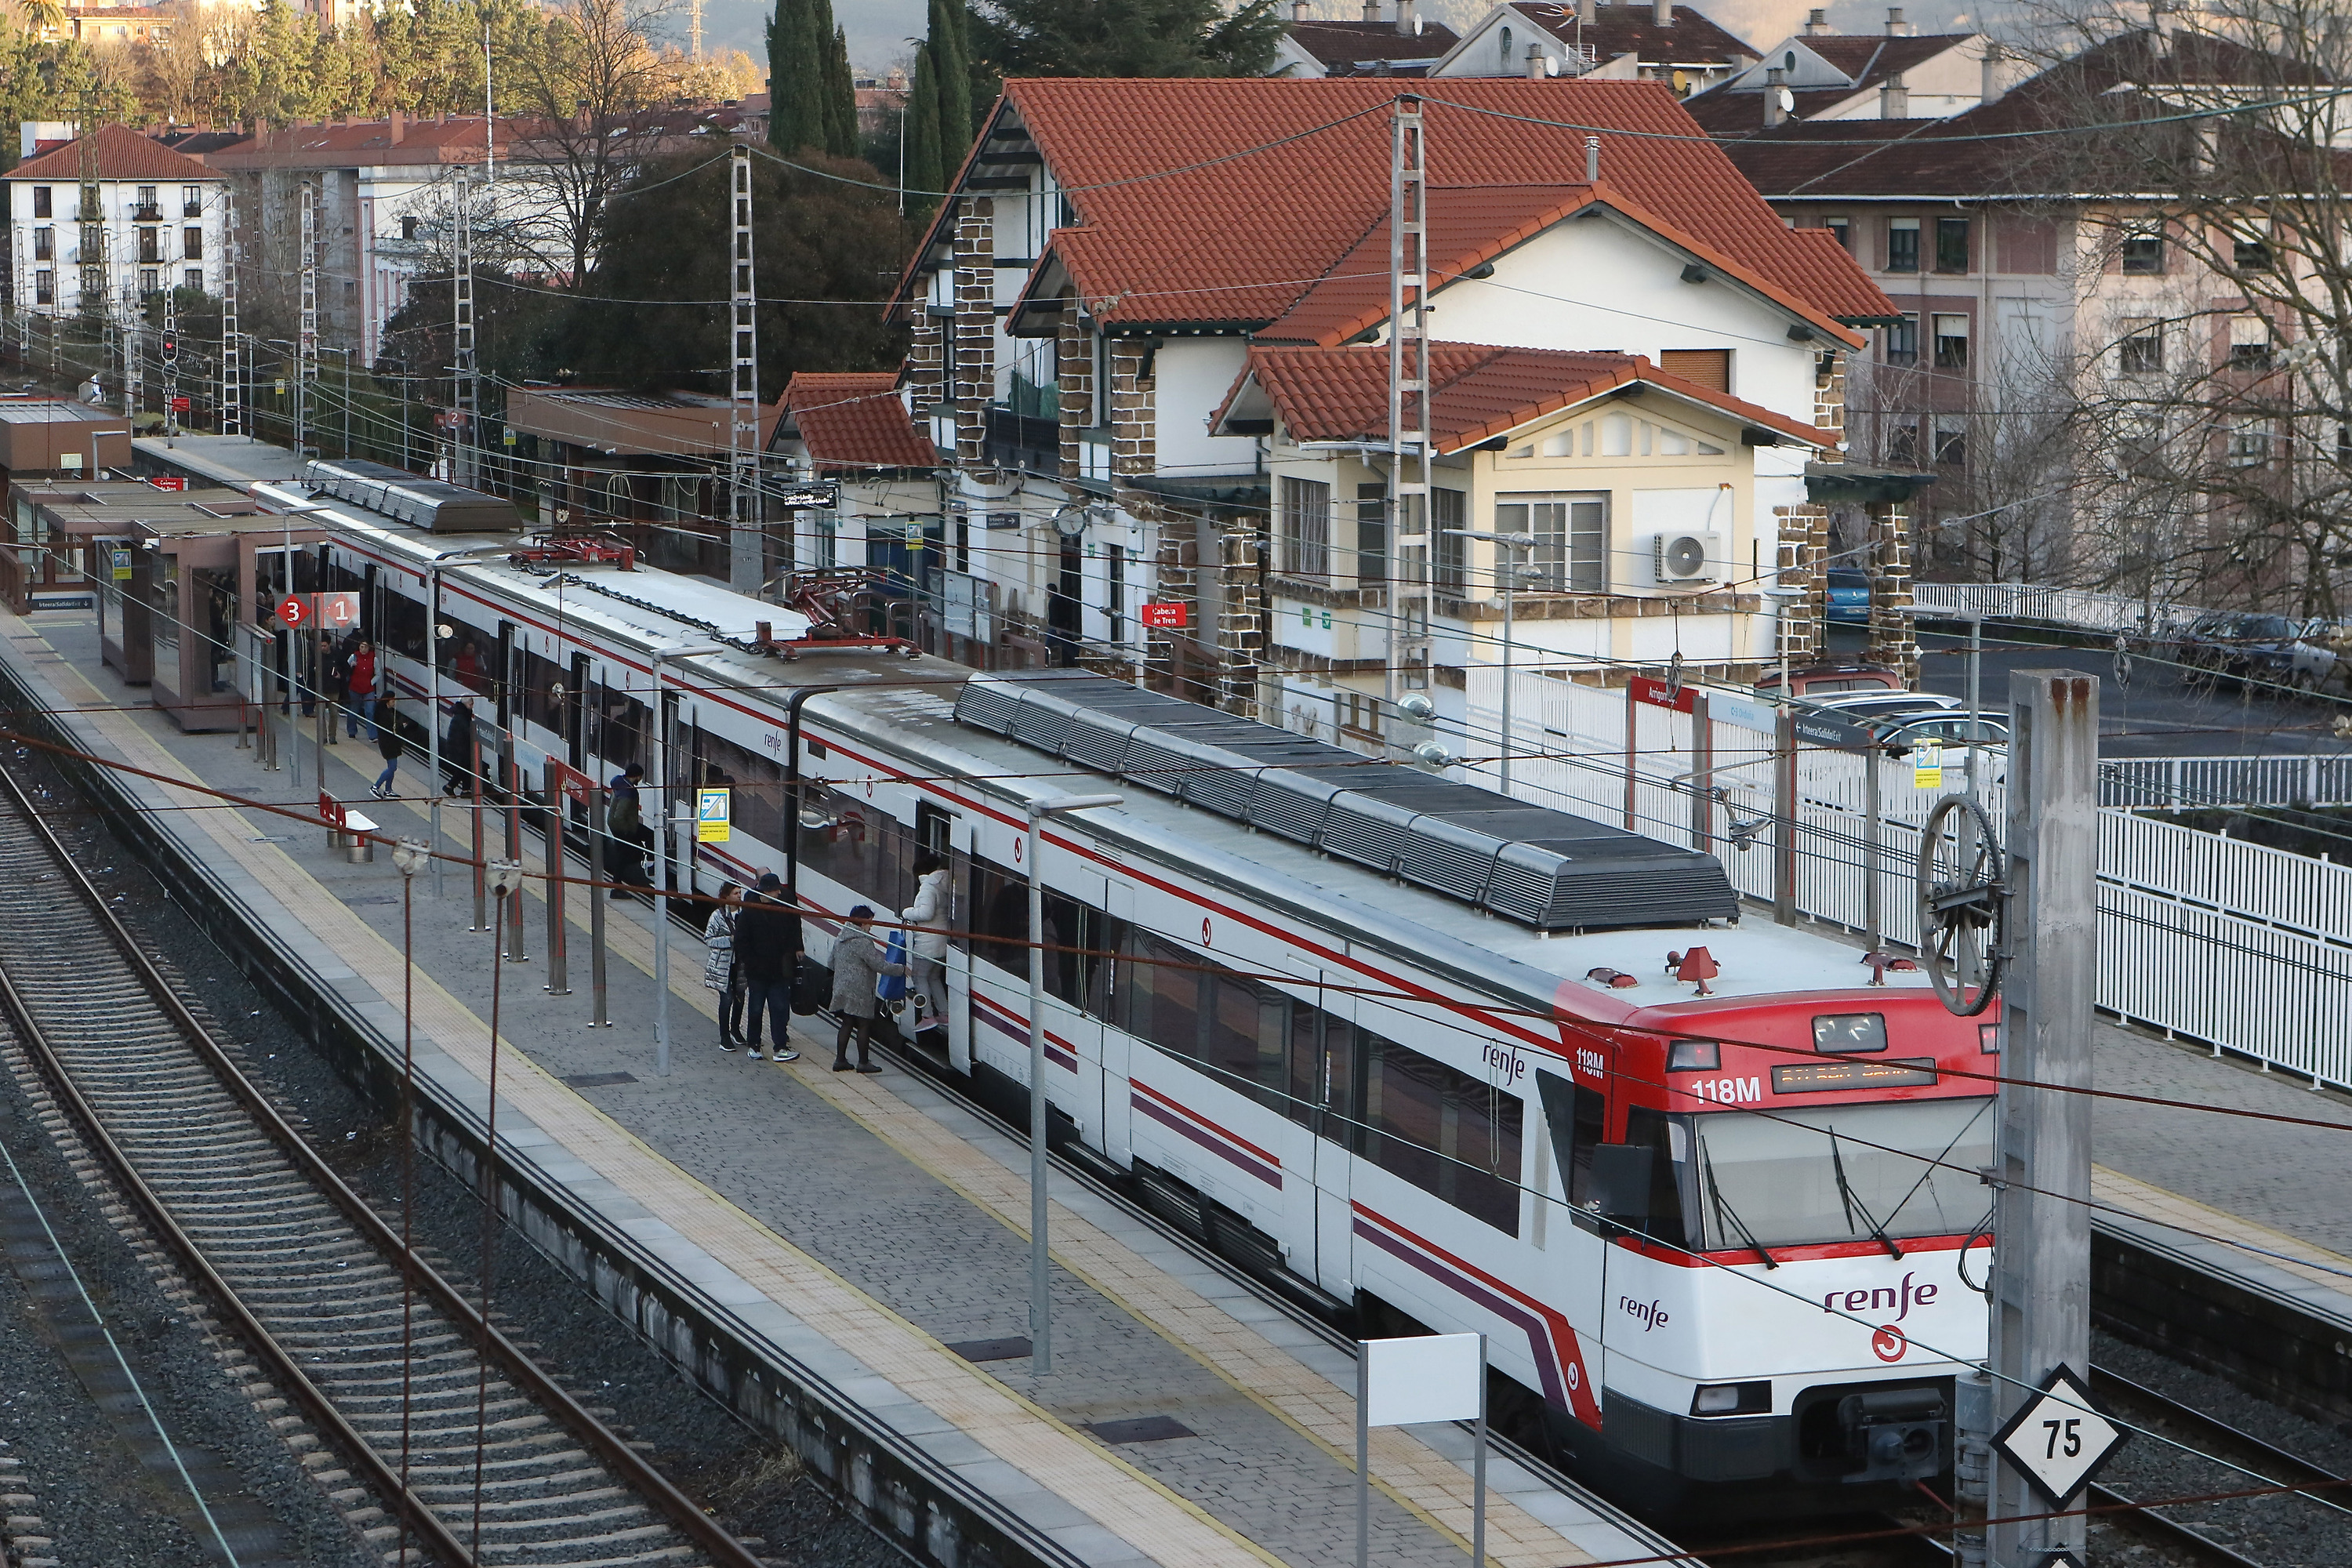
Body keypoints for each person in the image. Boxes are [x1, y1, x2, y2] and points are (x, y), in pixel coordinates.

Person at [732, 873, 802, 1062]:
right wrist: (751, 962)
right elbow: (741, 941)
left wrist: (794, 949)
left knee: (779, 1009)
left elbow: (793, 928)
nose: (780, 892)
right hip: (757, 972)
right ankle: (754, 1044)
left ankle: (780, 1047)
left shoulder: (782, 908)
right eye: (776, 889)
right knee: (755, 1009)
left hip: (779, 970)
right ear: (766, 891)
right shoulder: (750, 910)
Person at [828, 906, 906, 1074]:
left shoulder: (841, 936)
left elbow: (830, 962)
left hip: (842, 986)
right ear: (862, 923)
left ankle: (840, 1060)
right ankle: (863, 1062)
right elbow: (878, 965)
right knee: (864, 1024)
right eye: (870, 923)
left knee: (847, 1022)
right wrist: (902, 969)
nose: (871, 927)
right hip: (860, 989)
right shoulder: (863, 941)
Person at [900, 852, 949, 1035]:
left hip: (927, 943)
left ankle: (927, 1015)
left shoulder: (928, 888)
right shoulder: (943, 884)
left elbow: (926, 914)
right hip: (942, 942)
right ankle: (944, 1014)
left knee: (919, 977)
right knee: (934, 977)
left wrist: (907, 912)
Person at [702, 881, 746, 1052]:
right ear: (727, 896)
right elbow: (708, 939)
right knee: (726, 999)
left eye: (740, 892)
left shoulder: (744, 914)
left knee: (740, 997)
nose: (739, 896)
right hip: (722, 966)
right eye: (735, 893)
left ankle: (735, 1029)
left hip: (740, 964)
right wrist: (729, 941)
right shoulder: (717, 916)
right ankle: (724, 1036)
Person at [604, 763, 648, 891]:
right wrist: (628, 832)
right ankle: (616, 887)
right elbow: (620, 815)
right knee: (626, 854)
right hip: (622, 827)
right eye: (640, 777)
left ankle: (617, 884)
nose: (640, 780)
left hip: (619, 824)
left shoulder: (620, 782)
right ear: (636, 776)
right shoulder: (628, 793)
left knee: (628, 852)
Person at [345, 639, 379, 741]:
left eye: (366, 647)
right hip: (354, 688)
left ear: (369, 648)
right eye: (361, 647)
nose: (363, 649)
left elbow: (378, 674)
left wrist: (371, 682)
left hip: (369, 689)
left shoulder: (374, 659)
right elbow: (345, 669)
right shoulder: (353, 657)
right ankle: (352, 731)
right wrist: (351, 667)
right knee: (354, 710)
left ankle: (372, 735)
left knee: (370, 711)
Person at [370, 697, 403, 799]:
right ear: (387, 702)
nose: (394, 703)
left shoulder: (385, 712)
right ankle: (375, 787)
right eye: (392, 701)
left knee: (392, 768)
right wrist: (401, 725)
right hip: (388, 744)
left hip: (390, 743)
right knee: (392, 768)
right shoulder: (384, 715)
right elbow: (391, 727)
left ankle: (388, 790)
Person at [444, 698, 477, 795]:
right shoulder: (462, 716)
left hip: (460, 748)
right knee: (463, 770)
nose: (472, 706)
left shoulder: (462, 714)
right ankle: (449, 786)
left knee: (466, 768)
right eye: (471, 704)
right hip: (459, 749)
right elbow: (468, 731)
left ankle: (465, 790)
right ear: (466, 704)